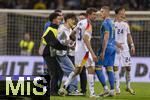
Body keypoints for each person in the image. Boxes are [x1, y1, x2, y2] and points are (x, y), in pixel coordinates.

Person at [60, 7, 98, 97]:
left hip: (78, 50)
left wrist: (76, 42)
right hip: (85, 51)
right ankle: (92, 93)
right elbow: (86, 39)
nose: (95, 16)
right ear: (88, 15)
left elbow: (72, 34)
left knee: (78, 70)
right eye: (94, 14)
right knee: (91, 69)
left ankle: (64, 86)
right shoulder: (88, 24)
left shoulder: (80, 23)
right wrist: (92, 53)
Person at [40, 12, 67, 96]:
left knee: (59, 72)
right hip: (49, 53)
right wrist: (64, 46)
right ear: (54, 20)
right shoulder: (49, 30)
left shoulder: (58, 28)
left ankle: (56, 90)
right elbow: (53, 43)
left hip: (55, 53)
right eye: (59, 19)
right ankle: (52, 92)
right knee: (53, 73)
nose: (60, 20)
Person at [113, 6, 136, 95]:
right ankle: (117, 88)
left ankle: (128, 86)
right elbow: (109, 37)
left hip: (125, 48)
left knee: (128, 67)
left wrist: (132, 45)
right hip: (115, 47)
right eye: (123, 11)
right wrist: (115, 43)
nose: (124, 13)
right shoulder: (112, 23)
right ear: (119, 12)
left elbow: (129, 35)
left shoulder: (126, 24)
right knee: (115, 68)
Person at [56, 13, 80, 95]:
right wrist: (71, 38)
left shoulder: (69, 30)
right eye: (72, 19)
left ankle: (66, 89)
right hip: (59, 53)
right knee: (73, 71)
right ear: (67, 20)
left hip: (63, 53)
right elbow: (62, 42)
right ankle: (72, 90)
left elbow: (70, 44)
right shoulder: (62, 29)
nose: (74, 21)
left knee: (58, 73)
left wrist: (73, 40)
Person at [95, 6, 116, 96]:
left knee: (98, 67)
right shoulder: (112, 22)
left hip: (106, 48)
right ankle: (112, 90)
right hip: (113, 47)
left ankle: (105, 88)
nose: (100, 13)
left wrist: (103, 51)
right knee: (109, 68)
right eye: (100, 11)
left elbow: (106, 36)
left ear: (107, 12)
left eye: (102, 11)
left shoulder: (105, 23)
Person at [77, 12, 87, 95]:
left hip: (82, 52)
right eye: (80, 18)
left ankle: (83, 90)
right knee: (75, 71)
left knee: (82, 71)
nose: (81, 20)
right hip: (74, 52)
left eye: (82, 19)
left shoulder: (86, 27)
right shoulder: (76, 27)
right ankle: (72, 89)